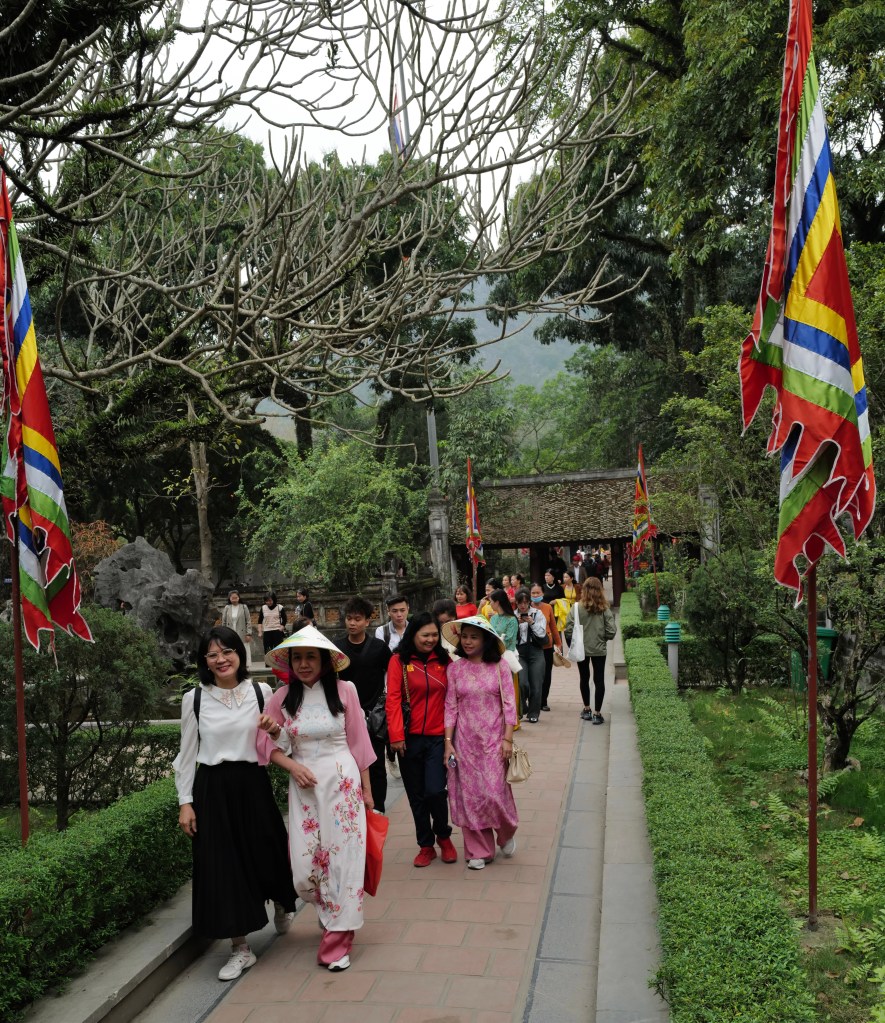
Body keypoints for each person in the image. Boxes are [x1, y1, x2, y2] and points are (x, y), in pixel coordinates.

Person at [173, 626, 296, 982]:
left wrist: (275, 730)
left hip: (253, 783)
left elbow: (283, 746)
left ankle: (281, 903)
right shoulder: (195, 699)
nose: (221, 659)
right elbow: (186, 756)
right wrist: (185, 802)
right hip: (213, 788)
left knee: (268, 851)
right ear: (205, 661)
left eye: (227, 651)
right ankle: (240, 947)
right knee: (223, 866)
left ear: (239, 654)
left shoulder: (261, 692)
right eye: (212, 654)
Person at [258, 625, 375, 972]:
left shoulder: (345, 690)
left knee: (343, 860)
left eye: (311, 657)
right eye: (298, 658)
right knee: (305, 866)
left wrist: (367, 791)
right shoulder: (281, 699)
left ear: (325, 661)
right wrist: (292, 765)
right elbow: (265, 748)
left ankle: (338, 939)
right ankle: (330, 913)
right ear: (290, 662)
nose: (304, 664)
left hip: (343, 785)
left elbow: (360, 743)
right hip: (305, 789)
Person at [441, 617, 518, 869]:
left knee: (494, 794)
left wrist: (507, 739)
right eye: (465, 636)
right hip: (465, 742)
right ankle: (478, 850)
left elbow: (510, 705)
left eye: (474, 637)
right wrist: (448, 742)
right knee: (471, 797)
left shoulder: (500, 667)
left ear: (486, 640)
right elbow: (451, 707)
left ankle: (505, 831)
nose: (468, 641)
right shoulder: (455, 669)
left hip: (494, 741)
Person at [386, 611, 457, 866]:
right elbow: (393, 700)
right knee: (416, 796)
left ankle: (443, 836)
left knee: (436, 791)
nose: (430, 640)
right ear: (413, 634)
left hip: (438, 738)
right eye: (425, 635)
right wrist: (396, 736)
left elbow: (452, 700)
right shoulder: (399, 661)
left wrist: (451, 739)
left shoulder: (445, 661)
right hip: (409, 739)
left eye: (434, 635)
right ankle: (425, 845)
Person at [337, 596, 392, 814]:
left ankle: (378, 809)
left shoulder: (379, 648)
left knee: (376, 764)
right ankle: (355, 808)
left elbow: (393, 675)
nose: (352, 623)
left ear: (368, 621)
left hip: (373, 716)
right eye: (349, 618)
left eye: (357, 619)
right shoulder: (337, 648)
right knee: (350, 763)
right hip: (346, 715)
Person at [564, 577, 617, 724]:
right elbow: (612, 631)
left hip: (581, 648)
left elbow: (568, 629)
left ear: (584, 590)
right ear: (600, 590)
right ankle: (597, 714)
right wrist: (602, 638)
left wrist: (574, 642)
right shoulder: (604, 608)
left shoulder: (576, 607)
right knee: (599, 680)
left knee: (584, 677)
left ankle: (587, 709)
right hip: (599, 648)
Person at [489, 588, 520, 731]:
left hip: (506, 657)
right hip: (493, 657)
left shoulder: (512, 619)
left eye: (491, 601)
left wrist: (495, 642)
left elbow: (509, 640)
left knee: (508, 690)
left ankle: (512, 721)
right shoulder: (493, 618)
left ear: (497, 602)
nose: (490, 604)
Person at [514, 587, 546, 722]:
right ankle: (523, 706)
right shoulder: (512, 615)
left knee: (536, 685)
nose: (523, 605)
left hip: (536, 651)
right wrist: (516, 623)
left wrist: (531, 622)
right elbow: (509, 636)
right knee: (522, 683)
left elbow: (542, 633)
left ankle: (534, 713)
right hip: (519, 652)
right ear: (516, 602)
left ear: (529, 602)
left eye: (525, 602)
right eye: (520, 602)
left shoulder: (537, 614)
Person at [531, 582, 562, 713]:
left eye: (538, 592)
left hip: (547, 645)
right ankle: (534, 700)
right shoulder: (526, 608)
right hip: (532, 646)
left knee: (546, 674)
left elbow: (554, 627)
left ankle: (543, 701)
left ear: (543, 593)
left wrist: (558, 643)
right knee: (533, 675)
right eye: (533, 593)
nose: (535, 595)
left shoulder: (548, 607)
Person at [221, 590, 253, 667]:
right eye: (232, 598)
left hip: (242, 632)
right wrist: (223, 633)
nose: (234, 599)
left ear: (239, 598)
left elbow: (248, 621)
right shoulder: (227, 608)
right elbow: (224, 622)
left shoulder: (244, 607)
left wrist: (248, 633)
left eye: (236, 597)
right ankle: (233, 663)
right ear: (229, 598)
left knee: (243, 648)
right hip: (230, 632)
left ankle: (245, 664)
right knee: (231, 648)